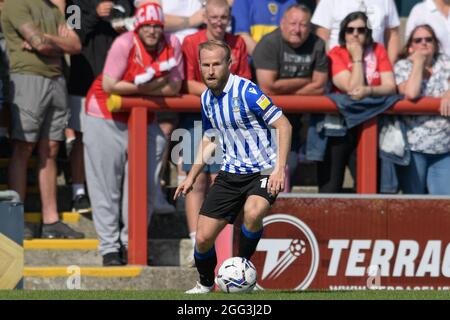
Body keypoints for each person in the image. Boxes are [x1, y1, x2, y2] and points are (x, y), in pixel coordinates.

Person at [174, 40, 292, 294]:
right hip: (230, 173)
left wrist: (279, 168)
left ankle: (243, 269)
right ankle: (206, 283)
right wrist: (191, 176)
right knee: (204, 238)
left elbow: (284, 125)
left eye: (216, 64)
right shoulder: (206, 98)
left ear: (230, 64)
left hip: (263, 170)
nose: (211, 70)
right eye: (205, 65)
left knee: (253, 211)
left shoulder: (247, 92)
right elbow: (210, 137)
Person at [84, 2, 183, 265]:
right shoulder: (124, 43)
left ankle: (131, 241)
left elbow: (174, 87)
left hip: (143, 117)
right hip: (105, 114)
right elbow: (109, 85)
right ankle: (109, 247)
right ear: (138, 25)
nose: (152, 30)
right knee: (106, 184)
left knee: (147, 184)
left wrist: (141, 88)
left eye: (157, 25)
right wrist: (154, 85)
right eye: (147, 25)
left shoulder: (172, 43)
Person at [1, 0, 84, 239]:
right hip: (27, 77)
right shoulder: (15, 5)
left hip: (56, 79)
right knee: (24, 146)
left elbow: (75, 44)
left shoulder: (50, 8)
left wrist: (48, 40)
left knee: (51, 148)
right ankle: (16, 218)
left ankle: (51, 219)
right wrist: (55, 43)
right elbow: (39, 43)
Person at [181, 0, 251, 266]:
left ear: (229, 17)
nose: (219, 21)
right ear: (205, 17)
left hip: (231, 121)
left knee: (223, 179)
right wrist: (216, 94)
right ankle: (194, 241)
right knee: (195, 179)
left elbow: (244, 80)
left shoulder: (239, 43)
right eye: (214, 16)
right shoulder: (190, 41)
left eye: (224, 16)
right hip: (194, 117)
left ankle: (222, 245)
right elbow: (184, 81)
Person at [65, 0, 134, 214]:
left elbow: (134, 26)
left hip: (119, 80)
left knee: (122, 140)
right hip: (84, 79)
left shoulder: (125, 1)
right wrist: (95, 14)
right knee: (82, 138)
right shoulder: (75, 3)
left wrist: (125, 24)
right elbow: (71, 37)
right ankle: (78, 191)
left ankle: (121, 191)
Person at [319, 11, 396, 192]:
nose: (355, 34)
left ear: (367, 32)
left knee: (368, 187)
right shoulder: (335, 53)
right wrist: (357, 57)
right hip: (339, 128)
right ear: (343, 33)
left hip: (370, 126)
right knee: (331, 187)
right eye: (350, 30)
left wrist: (369, 90)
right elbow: (352, 88)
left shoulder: (378, 50)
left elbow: (391, 86)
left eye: (360, 30)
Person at [253, 4, 328, 189]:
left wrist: (284, 88)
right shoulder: (269, 43)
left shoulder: (317, 44)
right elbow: (268, 86)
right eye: (293, 23)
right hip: (263, 121)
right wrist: (306, 80)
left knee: (289, 166)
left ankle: (281, 213)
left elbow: (319, 86)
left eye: (303, 25)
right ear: (282, 23)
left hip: (297, 121)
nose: (297, 29)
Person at [394, 24, 450, 194]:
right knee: (414, 203)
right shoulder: (402, 66)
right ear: (411, 45)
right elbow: (411, 93)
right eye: (418, 40)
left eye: (428, 39)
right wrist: (418, 62)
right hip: (414, 148)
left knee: (444, 205)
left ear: (435, 44)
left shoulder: (444, 61)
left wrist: (448, 93)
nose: (424, 43)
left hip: (444, 147)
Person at [311, 0, 400, 64]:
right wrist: (331, 68)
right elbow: (322, 36)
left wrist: (389, 67)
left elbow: (393, 34)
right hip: (340, 69)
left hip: (376, 70)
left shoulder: (387, 1)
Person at [231, 0, 298, 55]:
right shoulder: (243, 2)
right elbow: (241, 35)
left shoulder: (292, 2)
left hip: (282, 63)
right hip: (252, 65)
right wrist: (266, 60)